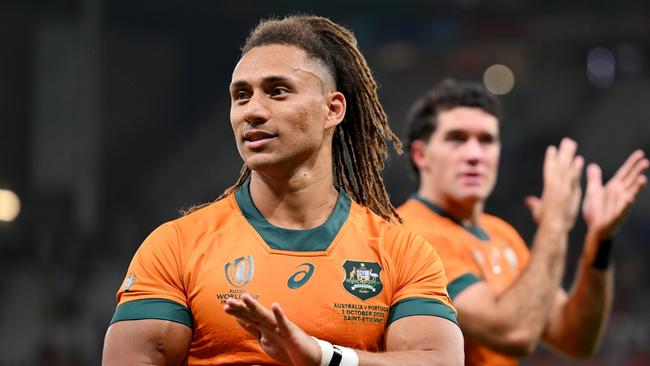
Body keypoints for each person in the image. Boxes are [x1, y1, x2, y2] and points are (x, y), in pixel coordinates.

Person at [102, 15, 464, 366]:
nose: (253, 111)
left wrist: (324, 358)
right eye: (241, 96)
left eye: (277, 91)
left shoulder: (402, 253)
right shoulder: (175, 247)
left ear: (332, 109)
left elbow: (441, 360)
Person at [397, 79, 648, 365]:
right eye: (456, 139)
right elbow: (516, 333)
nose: (474, 155)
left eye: (487, 140)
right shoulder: (411, 234)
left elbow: (575, 337)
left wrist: (599, 242)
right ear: (421, 155)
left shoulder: (501, 233)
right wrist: (554, 224)